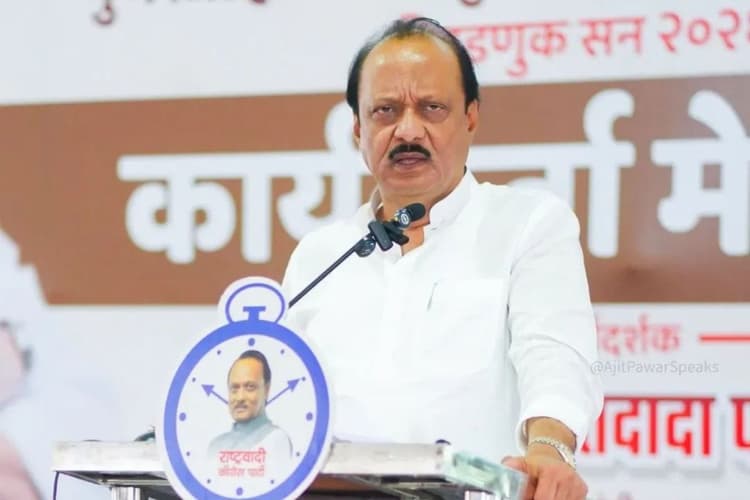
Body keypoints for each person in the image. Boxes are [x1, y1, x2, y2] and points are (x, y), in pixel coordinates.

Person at [282, 17, 603, 500]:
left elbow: (554, 353)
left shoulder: (527, 224)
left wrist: (548, 448)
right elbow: (278, 394)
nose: (408, 130)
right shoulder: (320, 256)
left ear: (470, 117)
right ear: (358, 128)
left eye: (432, 108)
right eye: (386, 111)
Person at [207, 350, 292, 476]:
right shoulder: (216, 446)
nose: (240, 397)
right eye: (234, 388)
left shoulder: (276, 439)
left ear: (267, 390)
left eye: (250, 387)